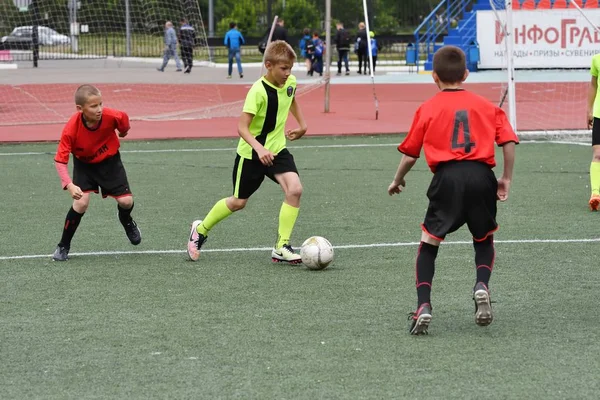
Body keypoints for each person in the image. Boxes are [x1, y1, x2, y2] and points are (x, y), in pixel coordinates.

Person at [387, 46, 518, 335]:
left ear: (434, 76)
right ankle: (481, 285)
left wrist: (397, 180)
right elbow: (508, 141)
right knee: (483, 238)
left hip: (447, 178)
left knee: (429, 243)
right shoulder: (486, 106)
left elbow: (410, 155)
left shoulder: (427, 108)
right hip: (482, 175)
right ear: (466, 74)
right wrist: (505, 177)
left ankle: (423, 305)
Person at [187, 40, 308, 264]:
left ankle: (281, 246)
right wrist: (259, 148)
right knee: (238, 202)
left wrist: (302, 125)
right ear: (269, 65)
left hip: (277, 150)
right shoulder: (258, 92)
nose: (287, 73)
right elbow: (242, 127)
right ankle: (200, 229)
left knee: (295, 189)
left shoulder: (290, 82)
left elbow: (291, 99)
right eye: (283, 68)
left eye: (290, 68)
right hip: (251, 154)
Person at [52, 84, 141, 261]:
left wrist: (123, 132)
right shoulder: (71, 129)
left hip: (110, 163)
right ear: (80, 109)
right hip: (84, 165)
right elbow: (60, 161)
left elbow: (124, 122)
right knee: (81, 203)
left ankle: (126, 220)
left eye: (100, 104)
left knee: (126, 201)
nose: (99, 109)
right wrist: (69, 185)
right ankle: (63, 245)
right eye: (93, 106)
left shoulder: (112, 115)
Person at [587, 53, 600, 210]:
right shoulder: (596, 59)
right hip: (599, 115)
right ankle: (595, 193)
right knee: (598, 154)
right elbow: (593, 85)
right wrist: (589, 110)